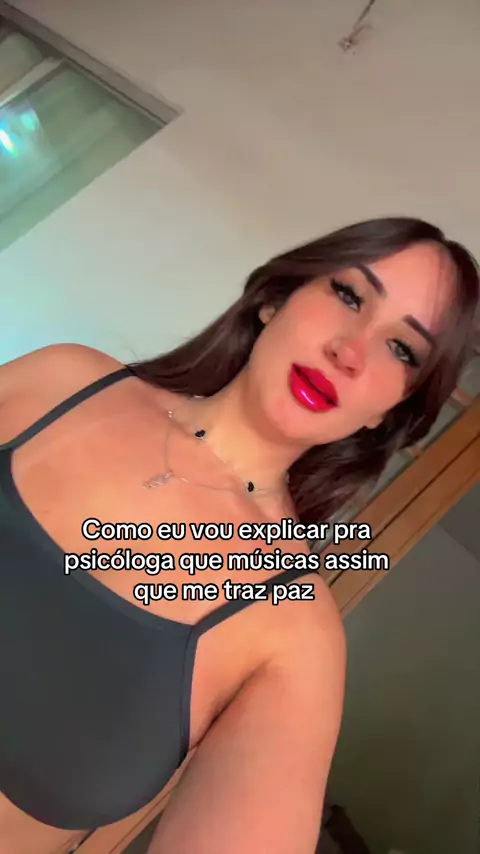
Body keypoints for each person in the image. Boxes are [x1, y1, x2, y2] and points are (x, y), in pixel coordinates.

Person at [0, 217, 478, 854]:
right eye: (349, 295)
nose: (352, 349)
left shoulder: (294, 635)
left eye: (402, 350)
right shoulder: (60, 382)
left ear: (390, 411)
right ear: (275, 299)